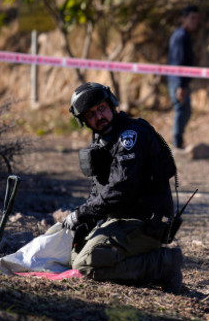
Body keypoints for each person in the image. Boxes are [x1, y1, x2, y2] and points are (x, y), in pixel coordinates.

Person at [65, 82, 183, 292]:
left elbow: (121, 188)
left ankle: (163, 264)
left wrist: (81, 214)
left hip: (147, 223)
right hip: (122, 220)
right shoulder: (104, 139)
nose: (99, 117)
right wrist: (87, 220)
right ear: (84, 121)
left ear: (111, 105)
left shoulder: (130, 137)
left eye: (101, 109)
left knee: (84, 266)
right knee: (74, 252)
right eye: (91, 114)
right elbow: (101, 188)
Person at [167, 5, 200, 149]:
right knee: (182, 109)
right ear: (184, 19)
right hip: (177, 80)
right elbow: (179, 61)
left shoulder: (184, 35)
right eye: (192, 18)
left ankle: (177, 141)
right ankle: (177, 142)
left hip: (179, 80)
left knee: (185, 110)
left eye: (196, 18)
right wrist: (181, 85)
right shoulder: (181, 36)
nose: (195, 21)